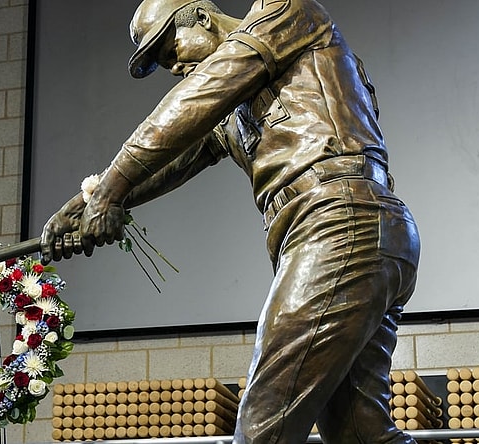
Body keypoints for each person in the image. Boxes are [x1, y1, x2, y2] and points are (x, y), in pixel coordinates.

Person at [40, 0, 421, 442]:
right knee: (362, 434)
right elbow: (180, 155)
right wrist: (89, 202)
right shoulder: (236, 107)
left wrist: (111, 190)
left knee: (262, 428)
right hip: (354, 237)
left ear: (201, 17)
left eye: (170, 50)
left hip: (341, 225)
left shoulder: (286, 11)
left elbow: (200, 96)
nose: (175, 67)